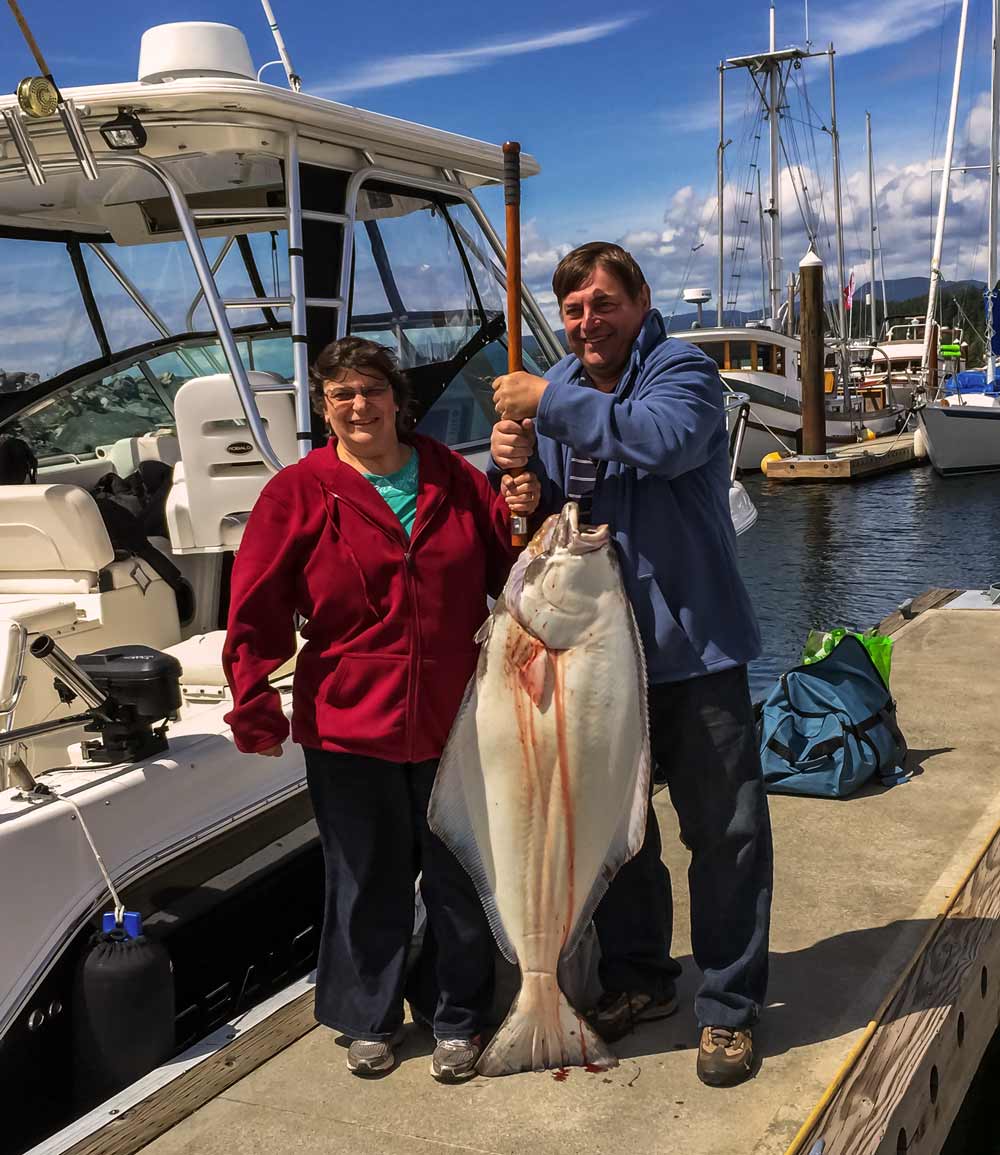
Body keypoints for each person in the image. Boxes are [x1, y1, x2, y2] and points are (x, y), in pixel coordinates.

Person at [489, 242, 771, 1088]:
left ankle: (728, 1007)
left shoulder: (679, 372)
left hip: (696, 653)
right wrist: (516, 478)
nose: (587, 323)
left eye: (604, 304)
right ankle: (641, 979)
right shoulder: (552, 385)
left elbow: (667, 442)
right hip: (596, 664)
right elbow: (540, 500)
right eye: (573, 310)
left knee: (725, 834)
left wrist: (548, 402)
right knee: (618, 837)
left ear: (641, 302)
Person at [223, 337, 539, 1082]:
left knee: (460, 871)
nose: (359, 405)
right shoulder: (297, 491)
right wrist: (253, 703)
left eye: (371, 389)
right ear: (324, 408)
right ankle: (370, 1015)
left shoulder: (453, 477)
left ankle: (457, 1015)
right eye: (342, 395)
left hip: (456, 721)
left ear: (398, 398)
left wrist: (519, 504)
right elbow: (256, 607)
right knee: (364, 877)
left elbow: (512, 567)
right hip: (347, 724)